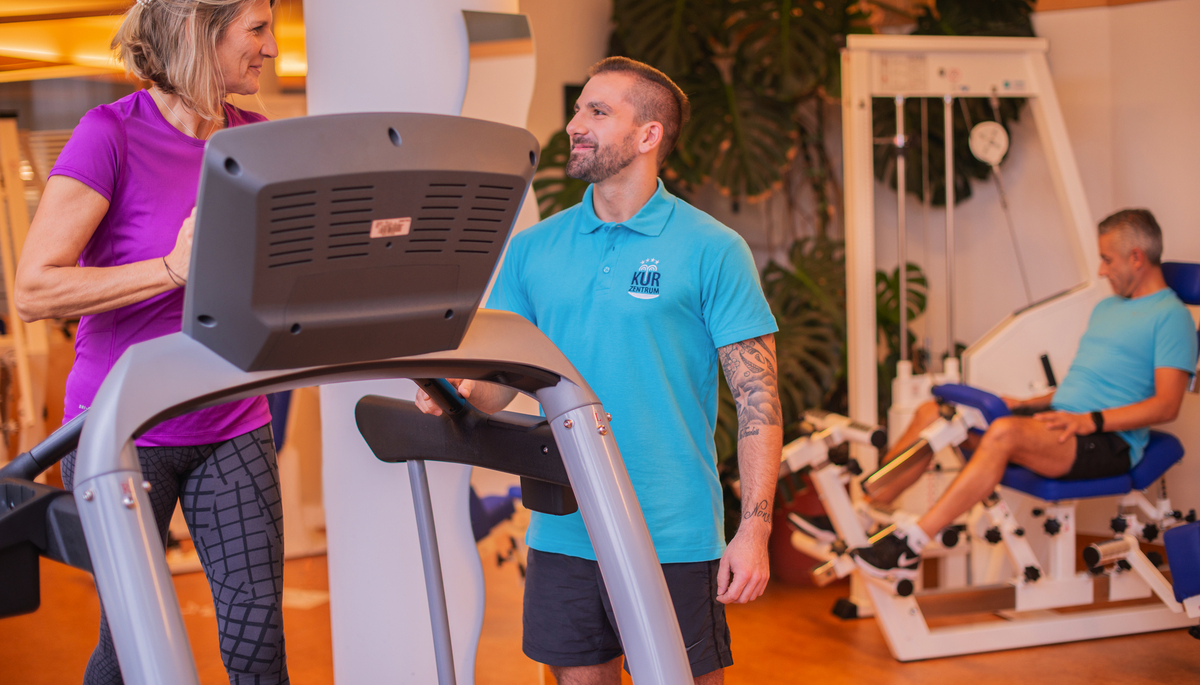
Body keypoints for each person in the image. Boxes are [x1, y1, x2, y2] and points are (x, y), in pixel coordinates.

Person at [416, 57, 782, 684]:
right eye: (578, 108)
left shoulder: (713, 248)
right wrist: (458, 392)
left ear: (648, 135)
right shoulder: (533, 250)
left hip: (671, 530)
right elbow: (503, 384)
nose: (574, 125)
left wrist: (754, 529)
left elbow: (759, 400)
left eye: (598, 111)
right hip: (564, 528)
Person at [14, 0, 287, 685]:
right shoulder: (110, 134)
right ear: (201, 30)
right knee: (132, 645)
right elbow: (34, 289)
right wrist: (170, 268)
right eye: (257, 29)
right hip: (121, 426)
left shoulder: (251, 138)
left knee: (259, 647)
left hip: (232, 419)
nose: (271, 47)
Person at [853, 209, 1197, 583]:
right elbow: (1081, 387)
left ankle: (910, 546)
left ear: (1137, 257)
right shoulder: (1107, 308)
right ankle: (863, 513)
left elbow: (1167, 406)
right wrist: (1026, 404)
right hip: (1061, 423)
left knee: (1004, 433)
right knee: (934, 413)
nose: (1102, 271)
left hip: (1107, 441)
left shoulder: (1171, 317)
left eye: (1107, 259)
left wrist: (1089, 420)